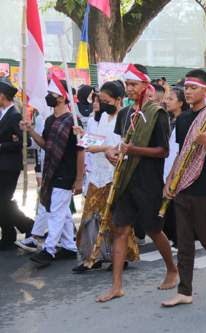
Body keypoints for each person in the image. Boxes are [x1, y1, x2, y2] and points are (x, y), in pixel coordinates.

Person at [95, 64, 178, 302]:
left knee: (153, 229)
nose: (130, 89)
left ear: (145, 86)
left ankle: (172, 269)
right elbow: (122, 145)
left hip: (148, 181)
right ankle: (117, 286)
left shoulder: (157, 114)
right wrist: (113, 153)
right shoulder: (124, 113)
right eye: (127, 85)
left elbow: (163, 151)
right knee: (120, 230)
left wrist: (135, 149)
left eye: (134, 85)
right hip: (125, 180)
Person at [161, 69, 206, 307]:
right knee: (183, 240)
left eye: (194, 88)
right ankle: (185, 291)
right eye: (187, 88)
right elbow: (181, 154)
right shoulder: (182, 119)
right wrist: (171, 180)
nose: (189, 92)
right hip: (183, 185)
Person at [72, 81, 140, 272]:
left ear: (118, 99)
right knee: (91, 215)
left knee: (115, 216)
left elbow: (123, 144)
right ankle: (93, 255)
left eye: (106, 100)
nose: (102, 104)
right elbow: (101, 139)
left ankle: (120, 256)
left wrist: (99, 148)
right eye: (100, 100)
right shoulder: (103, 118)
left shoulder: (127, 116)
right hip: (98, 172)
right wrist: (85, 134)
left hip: (115, 172)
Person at [19, 77, 84, 265]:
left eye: (51, 94)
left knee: (55, 212)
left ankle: (49, 250)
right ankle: (69, 248)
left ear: (62, 97)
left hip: (66, 173)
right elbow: (46, 146)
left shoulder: (74, 121)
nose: (48, 97)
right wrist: (31, 131)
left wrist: (79, 179)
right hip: (51, 171)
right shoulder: (49, 120)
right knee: (60, 211)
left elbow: (81, 151)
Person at [0, 79, 33, 250]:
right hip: (2, 165)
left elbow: (23, 141)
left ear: (2, 96)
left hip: (9, 166)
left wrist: (2, 145)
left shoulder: (13, 115)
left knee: (3, 201)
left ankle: (28, 226)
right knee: (3, 202)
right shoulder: (3, 113)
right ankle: (8, 235)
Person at [161, 87, 189, 251]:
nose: (166, 101)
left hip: (177, 167)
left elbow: (180, 150)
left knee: (176, 206)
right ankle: (171, 237)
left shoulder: (184, 121)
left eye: (170, 99)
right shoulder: (168, 120)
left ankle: (180, 240)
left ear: (180, 103)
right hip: (166, 165)